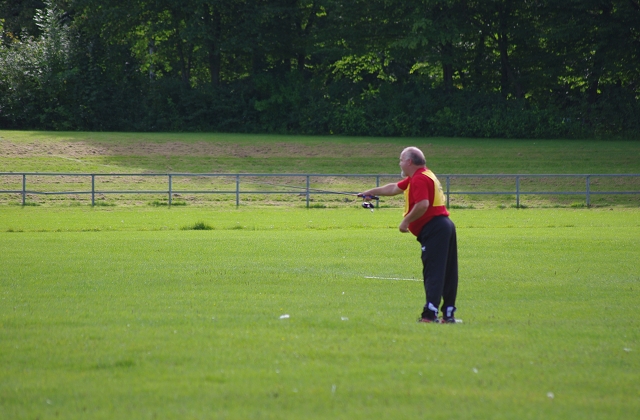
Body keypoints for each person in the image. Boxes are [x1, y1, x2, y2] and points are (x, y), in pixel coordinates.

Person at [360, 146, 459, 323]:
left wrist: (405, 221)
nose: (399, 163)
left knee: (434, 271)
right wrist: (371, 192)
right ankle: (448, 313)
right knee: (448, 272)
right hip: (445, 226)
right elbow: (393, 188)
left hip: (435, 228)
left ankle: (430, 314)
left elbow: (423, 204)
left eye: (401, 160)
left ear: (409, 162)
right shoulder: (422, 175)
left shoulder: (419, 179)